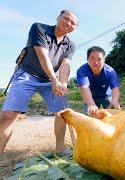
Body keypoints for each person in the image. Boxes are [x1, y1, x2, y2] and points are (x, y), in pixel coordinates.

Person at [0, 10, 78, 156]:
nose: (68, 23)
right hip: (27, 75)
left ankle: (60, 149)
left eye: (73, 23)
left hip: (50, 80)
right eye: (66, 19)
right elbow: (43, 56)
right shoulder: (39, 28)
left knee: (62, 113)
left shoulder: (70, 45)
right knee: (9, 115)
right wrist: (55, 80)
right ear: (58, 17)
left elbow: (65, 65)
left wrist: (63, 84)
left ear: (75, 28)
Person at [77, 46, 120, 115]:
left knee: (114, 114)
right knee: (88, 117)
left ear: (104, 60)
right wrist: (91, 104)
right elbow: (84, 87)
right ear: (87, 59)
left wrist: (115, 100)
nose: (96, 62)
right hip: (90, 96)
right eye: (92, 58)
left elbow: (115, 88)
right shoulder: (82, 71)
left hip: (107, 96)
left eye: (99, 59)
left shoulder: (110, 71)